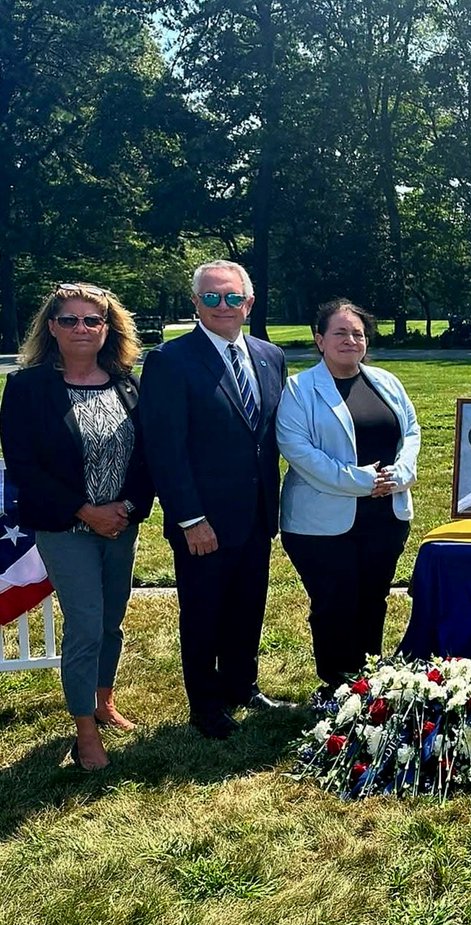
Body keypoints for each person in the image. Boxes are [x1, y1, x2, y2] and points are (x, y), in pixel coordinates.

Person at [0, 283, 154, 769]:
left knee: (111, 620)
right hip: (63, 527)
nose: (82, 328)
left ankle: (103, 699)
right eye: (70, 320)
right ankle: (85, 731)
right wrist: (86, 510)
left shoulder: (128, 383)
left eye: (93, 320)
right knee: (85, 623)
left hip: (121, 522)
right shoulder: (27, 388)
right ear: (52, 327)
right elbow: (23, 465)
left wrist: (126, 507)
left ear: (108, 328)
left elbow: (149, 457)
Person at [139, 260, 288, 739]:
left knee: (249, 604)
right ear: (196, 304)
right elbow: (164, 448)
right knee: (204, 611)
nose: (222, 306)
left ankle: (242, 685)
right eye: (211, 298)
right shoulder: (170, 360)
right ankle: (205, 704)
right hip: (202, 519)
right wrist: (189, 518)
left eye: (231, 298)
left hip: (257, 512)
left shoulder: (270, 356)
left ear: (248, 302)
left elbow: (269, 435)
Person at [277, 299, 420, 694]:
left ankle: (369, 684)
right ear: (319, 340)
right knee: (334, 605)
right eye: (340, 332)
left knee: (373, 600)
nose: (350, 339)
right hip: (320, 524)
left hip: (385, 516)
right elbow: (298, 450)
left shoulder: (387, 382)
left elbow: (410, 433)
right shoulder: (299, 389)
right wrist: (360, 481)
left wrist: (401, 474)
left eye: (357, 333)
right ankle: (337, 688)